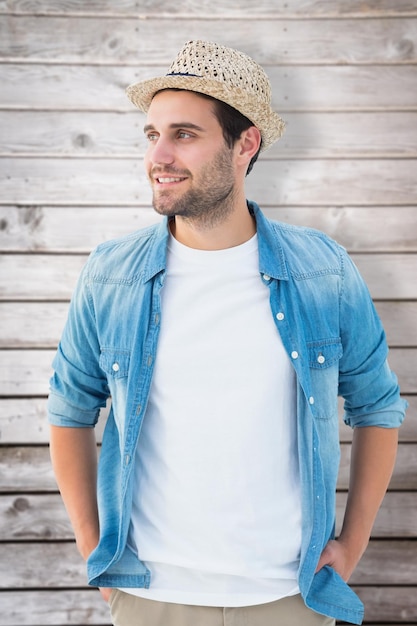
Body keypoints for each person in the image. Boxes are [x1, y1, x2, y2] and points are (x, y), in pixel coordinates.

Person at [48, 40, 407, 626]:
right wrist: (95, 550)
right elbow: (69, 409)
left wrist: (353, 544)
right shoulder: (112, 274)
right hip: (151, 594)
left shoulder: (322, 271)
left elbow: (377, 407)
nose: (159, 155)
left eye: (185, 134)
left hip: (288, 595)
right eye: (151, 134)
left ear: (246, 144)